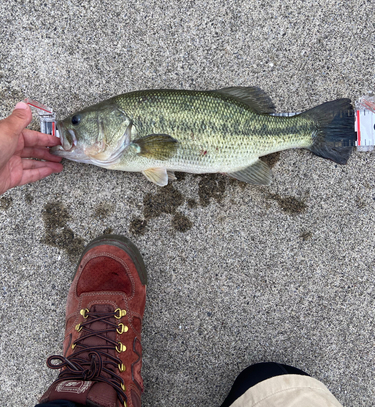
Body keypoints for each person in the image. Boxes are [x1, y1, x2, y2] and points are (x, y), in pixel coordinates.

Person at [2, 104, 344, 407]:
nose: (68, 128)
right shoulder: (129, 145)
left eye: (77, 121)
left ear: (118, 124)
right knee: (275, 385)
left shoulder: (134, 145)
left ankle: (89, 385)